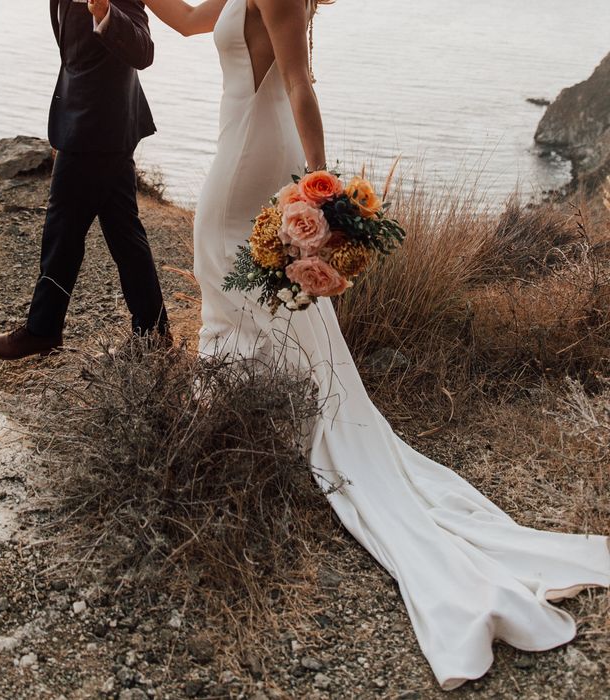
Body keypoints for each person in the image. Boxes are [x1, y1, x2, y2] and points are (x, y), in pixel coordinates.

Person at [143, 0, 610, 690]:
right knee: (240, 279)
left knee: (221, 255)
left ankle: (247, 408)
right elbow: (185, 22)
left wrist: (322, 199)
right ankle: (254, 405)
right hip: (241, 134)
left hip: (251, 145)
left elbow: (299, 84)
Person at [0, 0, 170, 360]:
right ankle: (153, 334)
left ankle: (43, 329)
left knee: (62, 229)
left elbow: (143, 50)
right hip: (97, 119)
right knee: (122, 231)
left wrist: (104, 12)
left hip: (96, 125)